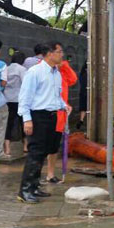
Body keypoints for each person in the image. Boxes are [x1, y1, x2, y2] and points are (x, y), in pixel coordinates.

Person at [17, 41, 71, 203]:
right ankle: (24, 190)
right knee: (35, 153)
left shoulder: (56, 73)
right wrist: (27, 119)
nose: (62, 55)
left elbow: (55, 95)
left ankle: (34, 186)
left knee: (43, 153)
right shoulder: (35, 72)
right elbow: (25, 97)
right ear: (49, 53)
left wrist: (64, 105)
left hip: (52, 116)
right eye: (59, 51)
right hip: (37, 116)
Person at [44, 56, 78, 184]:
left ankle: (50, 174)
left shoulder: (62, 74)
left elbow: (73, 79)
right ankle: (35, 177)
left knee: (53, 147)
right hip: (46, 115)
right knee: (42, 147)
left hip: (60, 115)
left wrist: (64, 66)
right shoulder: (42, 71)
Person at [4, 51, 27, 156]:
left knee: (9, 123)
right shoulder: (22, 69)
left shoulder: (6, 69)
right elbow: (26, 84)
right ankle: (26, 145)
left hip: (7, 99)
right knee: (23, 123)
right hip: (19, 100)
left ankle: (7, 148)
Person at [76, 62, 87, 130]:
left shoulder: (82, 74)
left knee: (83, 108)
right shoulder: (87, 74)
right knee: (87, 107)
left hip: (82, 92)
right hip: (86, 92)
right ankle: (82, 121)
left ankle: (81, 120)